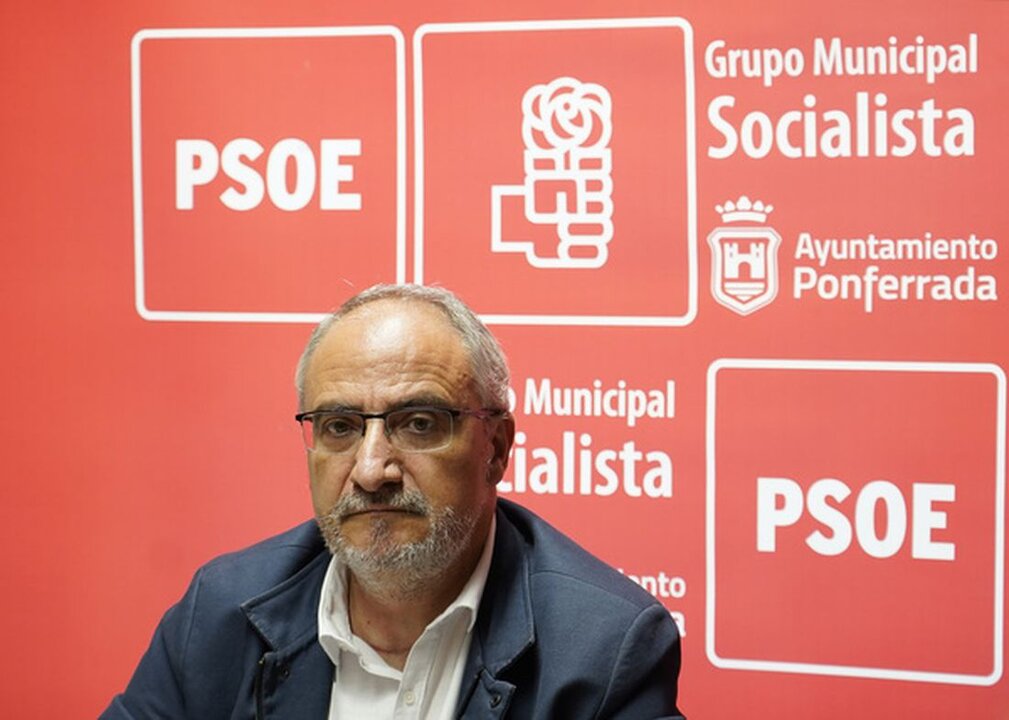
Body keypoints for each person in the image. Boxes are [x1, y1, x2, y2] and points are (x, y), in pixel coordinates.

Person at [102, 284, 684, 719]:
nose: (371, 469)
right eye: (338, 426)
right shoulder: (221, 613)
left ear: (497, 448)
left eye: (420, 423)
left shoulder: (605, 650)